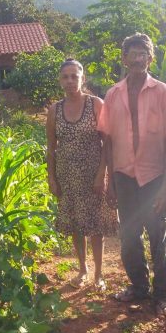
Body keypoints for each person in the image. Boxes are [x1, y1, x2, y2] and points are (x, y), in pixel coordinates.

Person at [98, 33, 166, 315]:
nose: (138, 58)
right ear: (124, 58)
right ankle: (139, 287)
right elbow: (107, 140)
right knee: (129, 235)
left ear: (151, 59)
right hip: (124, 175)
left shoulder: (162, 92)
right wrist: (109, 180)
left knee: (158, 234)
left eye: (144, 53)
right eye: (133, 53)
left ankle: (164, 292)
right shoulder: (113, 94)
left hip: (154, 175)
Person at [46, 59, 118, 291]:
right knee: (77, 225)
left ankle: (98, 274)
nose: (69, 81)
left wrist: (101, 175)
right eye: (65, 76)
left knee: (96, 226)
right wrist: (52, 178)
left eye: (74, 76)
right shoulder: (54, 110)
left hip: (93, 176)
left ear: (82, 78)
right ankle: (82, 269)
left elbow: (107, 143)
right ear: (60, 80)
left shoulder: (96, 104)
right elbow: (51, 148)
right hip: (67, 176)